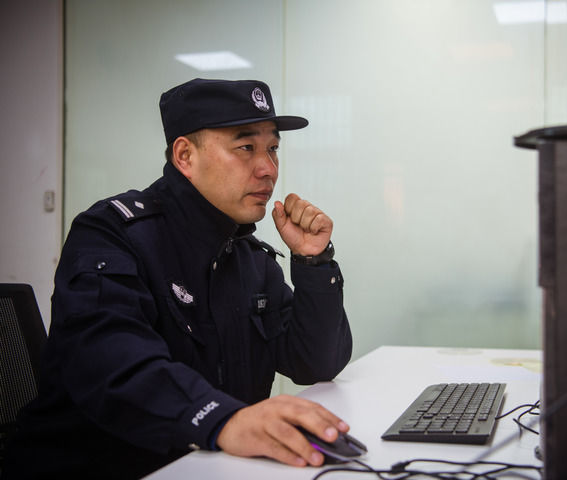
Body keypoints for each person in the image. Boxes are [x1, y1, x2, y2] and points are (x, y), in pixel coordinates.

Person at [3, 79, 353, 479]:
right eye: (246, 147)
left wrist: (313, 262)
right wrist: (222, 419)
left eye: (272, 148)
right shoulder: (111, 235)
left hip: (208, 468)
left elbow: (315, 363)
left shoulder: (248, 255)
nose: (268, 169)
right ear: (185, 155)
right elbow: (114, 364)